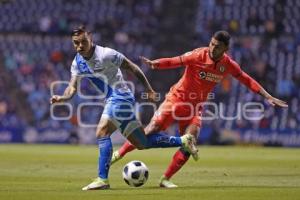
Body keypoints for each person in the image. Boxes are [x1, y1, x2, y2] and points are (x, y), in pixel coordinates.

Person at [110, 30, 288, 188]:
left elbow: (247, 80)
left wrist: (268, 96)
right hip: (176, 99)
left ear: (225, 49)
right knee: (149, 131)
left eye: (217, 46)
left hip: (195, 107)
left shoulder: (229, 64)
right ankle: (118, 154)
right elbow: (177, 60)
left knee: (190, 143)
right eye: (211, 43)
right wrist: (157, 64)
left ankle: (165, 179)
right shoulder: (198, 55)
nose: (212, 48)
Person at [50, 25, 197, 190]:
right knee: (142, 143)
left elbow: (133, 67)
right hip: (115, 100)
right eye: (76, 43)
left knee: (102, 132)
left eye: (83, 42)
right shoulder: (77, 62)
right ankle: (184, 140)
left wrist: (148, 89)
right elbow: (72, 87)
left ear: (90, 38)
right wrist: (63, 97)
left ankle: (102, 179)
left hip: (120, 96)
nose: (79, 46)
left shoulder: (107, 54)